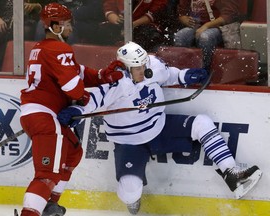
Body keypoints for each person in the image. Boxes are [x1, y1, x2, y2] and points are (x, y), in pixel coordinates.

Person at [57, 41, 262, 215]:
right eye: (137, 67)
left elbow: (168, 74)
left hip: (159, 129)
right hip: (130, 144)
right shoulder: (115, 85)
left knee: (202, 123)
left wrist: (184, 76)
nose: (144, 70)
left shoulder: (150, 67)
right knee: (129, 191)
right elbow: (91, 101)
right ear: (125, 68)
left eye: (144, 64)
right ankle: (132, 200)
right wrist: (76, 112)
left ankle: (231, 172)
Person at [19, 3, 124, 216]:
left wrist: (102, 75)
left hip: (36, 114)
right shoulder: (60, 48)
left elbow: (78, 72)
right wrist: (84, 98)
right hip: (45, 116)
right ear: (55, 27)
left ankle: (50, 205)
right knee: (46, 174)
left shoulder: (41, 48)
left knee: (73, 151)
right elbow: (72, 86)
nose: (71, 29)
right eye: (67, 25)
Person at [174, 0, 243, 70]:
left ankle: (206, 70)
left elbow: (229, 15)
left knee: (205, 37)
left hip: (218, 26)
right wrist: (183, 18)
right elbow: (182, 12)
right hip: (196, 25)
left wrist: (206, 26)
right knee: (180, 36)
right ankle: (183, 71)